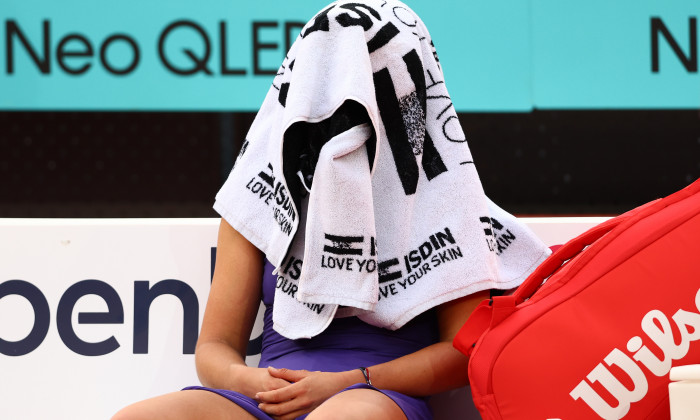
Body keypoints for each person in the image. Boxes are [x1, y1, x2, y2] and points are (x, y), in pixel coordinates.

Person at [113, 1, 549, 419]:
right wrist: (251, 381)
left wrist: (350, 382)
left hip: (373, 396)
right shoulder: (260, 194)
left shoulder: (447, 199)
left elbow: (462, 353)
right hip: (263, 398)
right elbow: (214, 347)